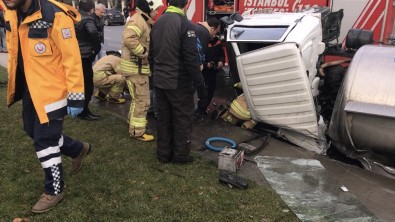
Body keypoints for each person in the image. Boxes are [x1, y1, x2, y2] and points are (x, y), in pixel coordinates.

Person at [1, 0, 91, 213]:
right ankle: (77, 149)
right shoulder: (11, 13)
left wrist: (76, 96)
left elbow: (72, 58)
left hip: (53, 91)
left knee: (45, 141)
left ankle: (54, 189)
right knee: (31, 131)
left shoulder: (55, 15)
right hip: (31, 90)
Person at [149, 0, 208, 163]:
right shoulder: (185, 24)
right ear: (186, 5)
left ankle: (163, 155)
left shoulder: (158, 22)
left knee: (164, 119)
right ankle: (180, 156)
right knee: (182, 120)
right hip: (178, 83)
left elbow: (151, 55)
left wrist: (156, 76)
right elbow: (191, 60)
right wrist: (201, 86)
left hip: (160, 81)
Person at [119, 0, 163, 142]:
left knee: (137, 99)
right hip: (135, 69)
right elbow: (128, 38)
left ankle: (133, 124)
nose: (156, 13)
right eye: (155, 10)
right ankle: (138, 132)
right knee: (142, 101)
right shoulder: (138, 20)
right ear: (148, 8)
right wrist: (144, 53)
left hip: (135, 69)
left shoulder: (142, 20)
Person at [75, 0, 102, 121]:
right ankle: (84, 111)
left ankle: (80, 109)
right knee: (88, 85)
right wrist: (96, 48)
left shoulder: (74, 17)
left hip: (75, 54)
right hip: (85, 55)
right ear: (91, 10)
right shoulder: (87, 18)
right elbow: (93, 32)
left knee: (79, 84)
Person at [193, 17, 221, 119]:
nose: (215, 35)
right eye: (216, 31)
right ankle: (196, 112)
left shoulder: (198, 29)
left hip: (205, 69)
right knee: (200, 90)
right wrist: (204, 65)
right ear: (213, 28)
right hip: (199, 69)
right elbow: (199, 53)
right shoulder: (204, 33)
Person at [196, 34, 225, 118]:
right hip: (203, 72)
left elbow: (222, 55)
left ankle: (203, 108)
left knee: (211, 91)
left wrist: (221, 61)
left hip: (213, 71)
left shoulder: (218, 45)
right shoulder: (202, 44)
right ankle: (200, 110)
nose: (214, 35)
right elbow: (198, 58)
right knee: (203, 91)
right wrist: (206, 64)